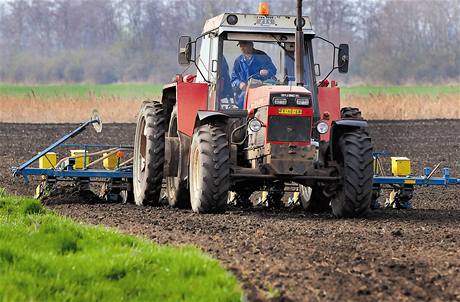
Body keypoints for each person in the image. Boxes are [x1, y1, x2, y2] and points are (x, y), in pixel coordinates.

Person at [231, 41, 277, 108]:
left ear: (251, 45)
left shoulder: (262, 56)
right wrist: (239, 83)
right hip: (246, 90)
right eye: (240, 46)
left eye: (244, 45)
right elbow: (233, 79)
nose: (242, 48)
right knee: (241, 100)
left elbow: (273, 70)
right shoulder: (238, 60)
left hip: (261, 89)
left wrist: (267, 72)